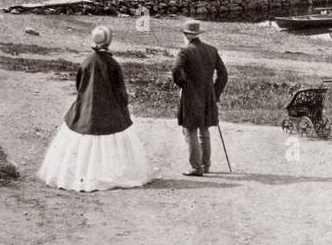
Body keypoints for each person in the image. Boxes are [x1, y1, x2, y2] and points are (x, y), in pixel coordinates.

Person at [37, 25, 153, 192]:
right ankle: (109, 174)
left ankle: (81, 175)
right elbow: (120, 89)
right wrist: (123, 104)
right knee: (112, 140)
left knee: (82, 139)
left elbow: (79, 85)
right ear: (109, 42)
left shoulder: (87, 61)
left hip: (87, 107)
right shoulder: (112, 64)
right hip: (109, 110)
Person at [172, 19, 228, 176]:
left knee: (190, 130)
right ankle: (206, 165)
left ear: (187, 35)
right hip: (208, 95)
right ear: (198, 34)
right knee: (204, 131)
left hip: (191, 95)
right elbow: (223, 74)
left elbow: (176, 70)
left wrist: (183, 85)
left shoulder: (185, 51)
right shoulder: (212, 49)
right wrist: (215, 92)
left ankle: (196, 168)